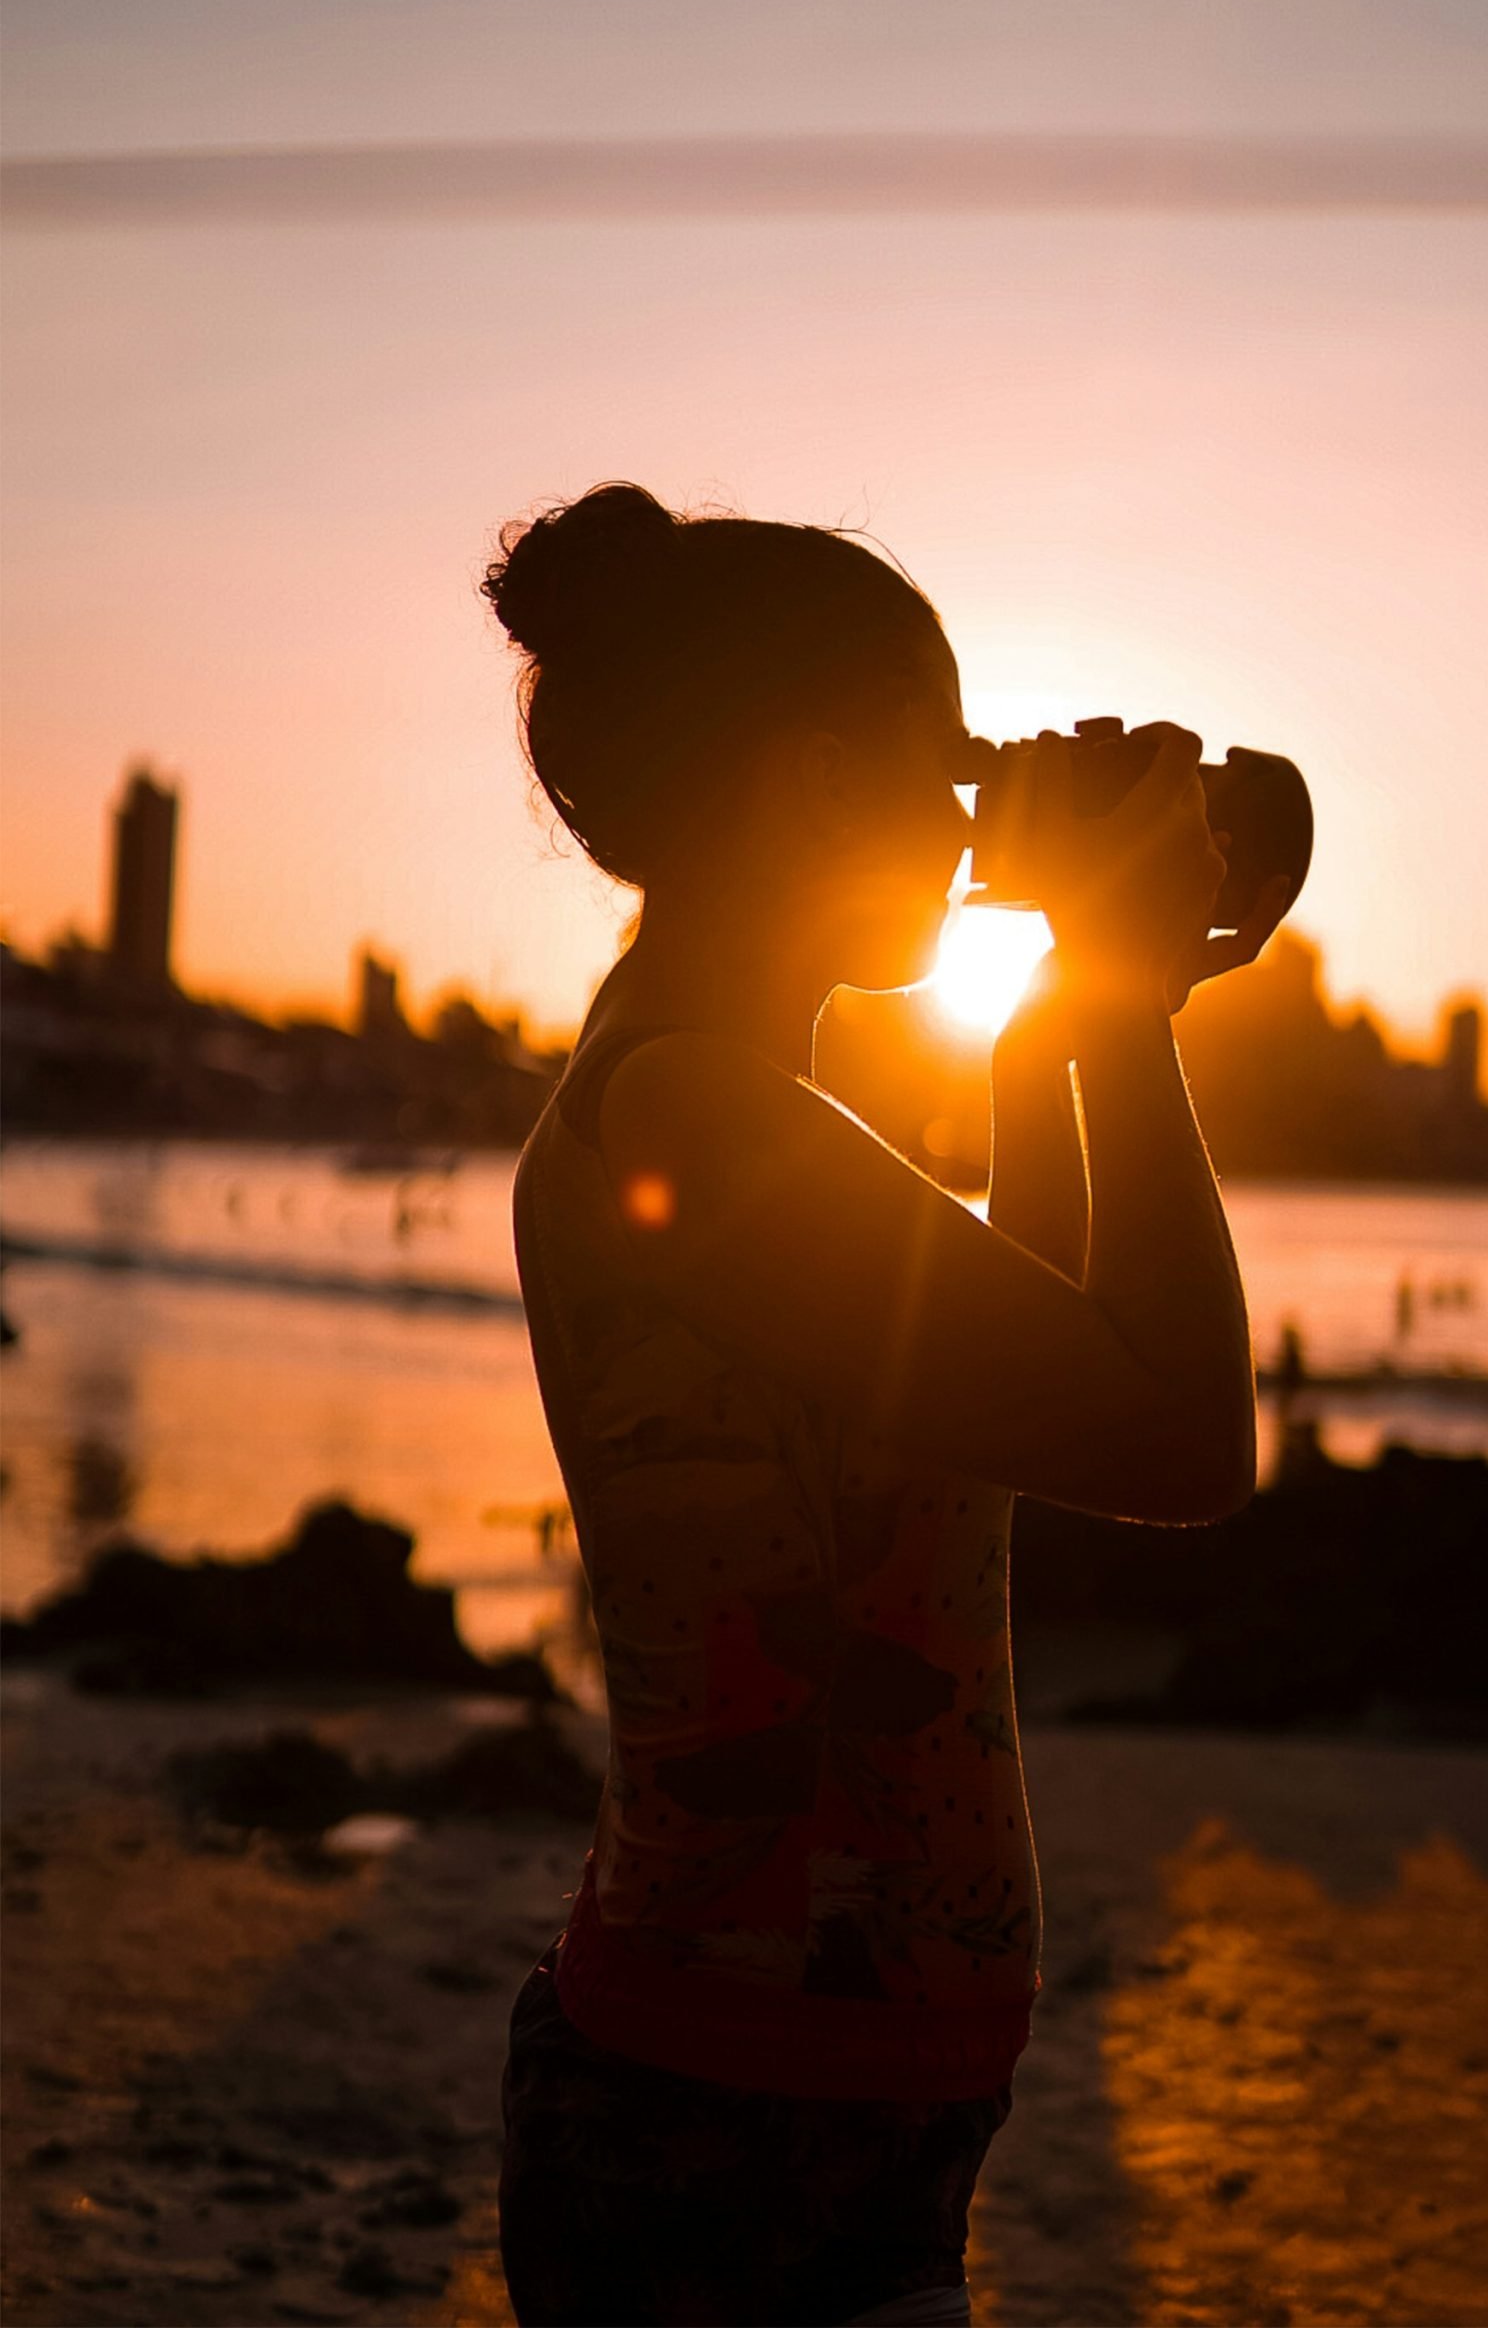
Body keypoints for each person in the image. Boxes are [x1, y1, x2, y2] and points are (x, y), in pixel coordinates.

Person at [484, 483, 1289, 2327]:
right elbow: (1180, 1442)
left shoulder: (732, 1102)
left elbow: (1045, 1365)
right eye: (942, 771)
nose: (966, 820)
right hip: (730, 2106)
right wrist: (1126, 1017)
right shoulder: (696, 1121)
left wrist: (1078, 1009)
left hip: (809, 2082)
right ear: (812, 775)